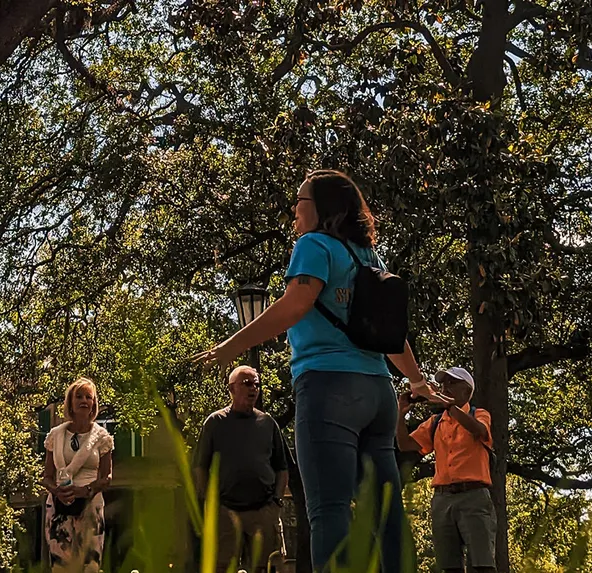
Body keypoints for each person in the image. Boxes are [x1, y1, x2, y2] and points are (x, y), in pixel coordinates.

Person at [193, 170, 446, 572]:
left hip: (330, 391)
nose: (293, 211)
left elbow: (297, 303)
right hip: (378, 394)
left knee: (329, 510)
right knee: (385, 512)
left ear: (323, 208)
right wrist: (416, 380)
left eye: (300, 202)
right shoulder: (368, 257)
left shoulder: (313, 245)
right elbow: (391, 335)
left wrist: (232, 346)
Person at [396, 367, 495, 573]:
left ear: (467, 391)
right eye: (443, 384)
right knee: (448, 567)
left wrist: (447, 405)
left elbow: (479, 430)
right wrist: (400, 414)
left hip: (474, 496)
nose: (445, 387)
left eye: (452, 383)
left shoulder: (479, 414)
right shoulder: (435, 423)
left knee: (482, 565)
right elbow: (405, 445)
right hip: (442, 500)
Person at [193, 365, 289, 573]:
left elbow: (282, 468)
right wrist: (210, 502)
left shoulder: (267, 423)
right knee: (222, 567)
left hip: (263, 510)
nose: (253, 388)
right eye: (247, 383)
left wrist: (277, 502)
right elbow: (200, 466)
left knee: (266, 567)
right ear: (231, 389)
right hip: (225, 512)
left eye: (256, 384)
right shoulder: (215, 422)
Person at [41, 377, 114, 573]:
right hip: (59, 507)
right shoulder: (55, 436)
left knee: (89, 565)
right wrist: (57, 491)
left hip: (90, 506)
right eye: (78, 396)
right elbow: (47, 475)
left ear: (93, 404)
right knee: (61, 567)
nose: (84, 401)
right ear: (70, 404)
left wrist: (86, 490)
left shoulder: (102, 437)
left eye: (88, 397)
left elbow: (107, 477)